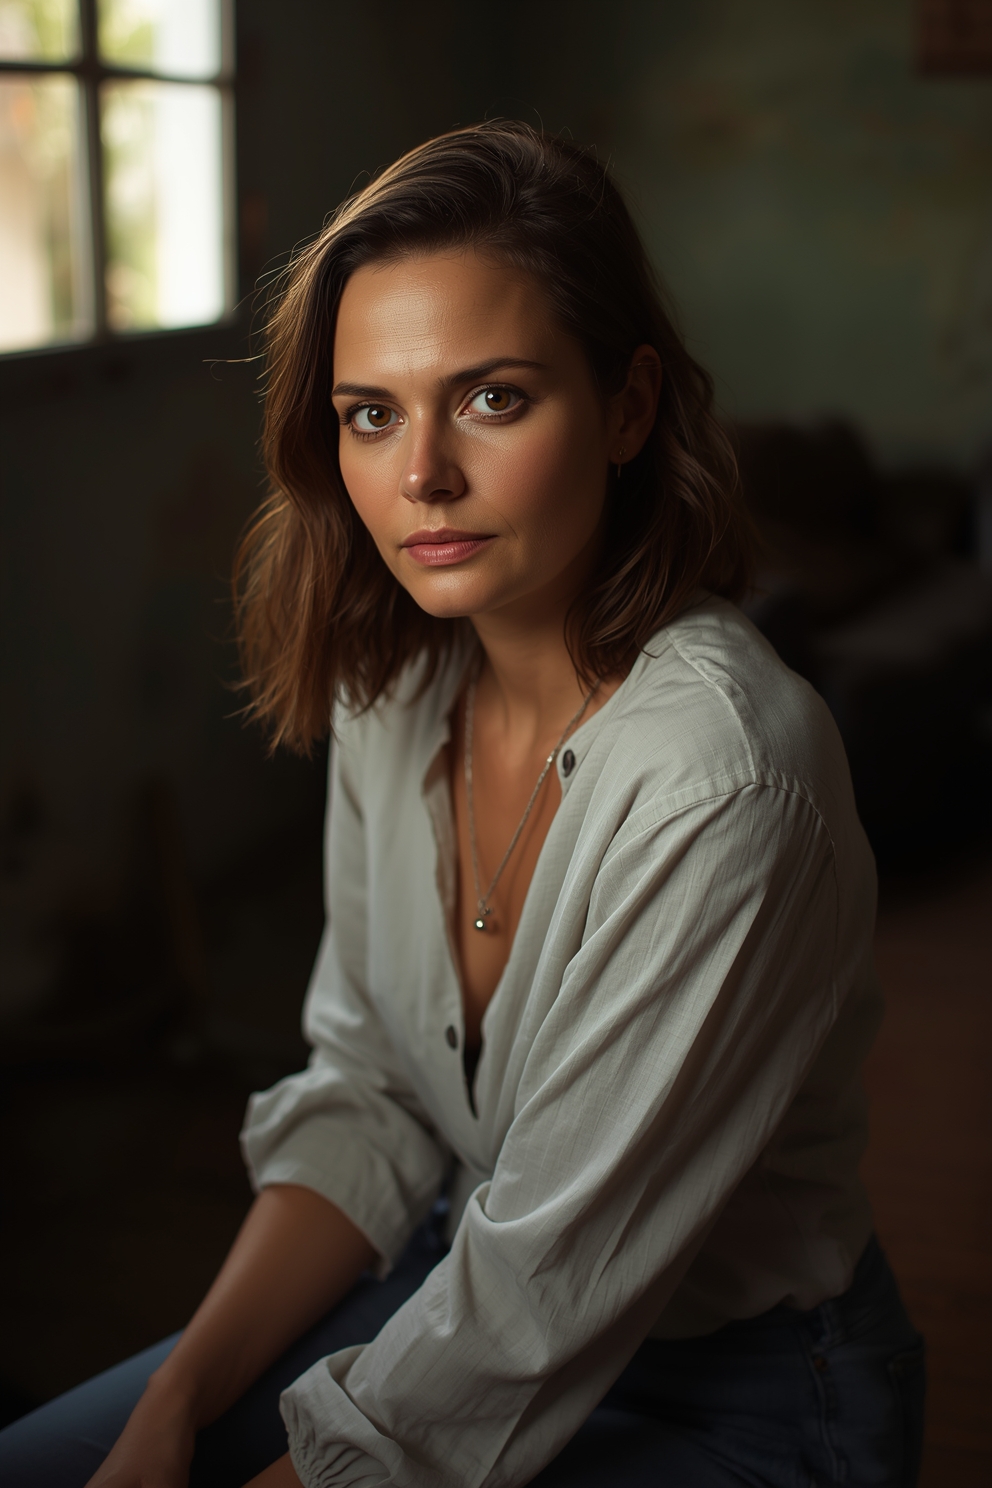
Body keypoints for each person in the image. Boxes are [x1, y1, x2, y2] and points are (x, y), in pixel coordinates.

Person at [0, 121, 925, 1488]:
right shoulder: (393, 691)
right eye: (371, 413)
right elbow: (372, 1094)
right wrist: (180, 1400)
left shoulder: (727, 782)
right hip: (454, 1286)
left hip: (731, 1396)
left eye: (491, 398)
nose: (421, 473)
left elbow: (539, 1300)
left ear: (628, 407)